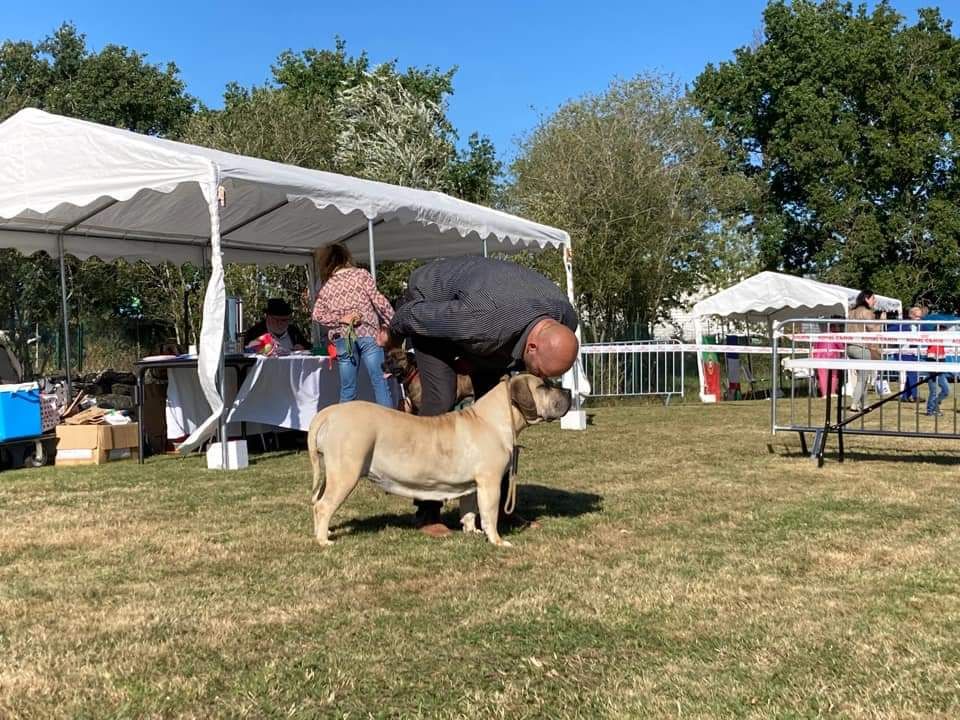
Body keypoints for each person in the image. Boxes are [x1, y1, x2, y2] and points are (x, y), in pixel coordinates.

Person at [378, 256, 579, 538]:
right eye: (541, 373)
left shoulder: (565, 315)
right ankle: (427, 511)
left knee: (503, 418)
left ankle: (498, 510)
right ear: (531, 347)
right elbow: (418, 315)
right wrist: (393, 335)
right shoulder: (481, 321)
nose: (543, 381)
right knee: (439, 400)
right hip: (432, 302)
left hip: (490, 322)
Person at [311, 243, 394, 408]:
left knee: (348, 389)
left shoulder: (326, 286)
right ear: (346, 257)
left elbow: (317, 315)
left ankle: (343, 429)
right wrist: (393, 321)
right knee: (380, 383)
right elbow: (379, 301)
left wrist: (341, 319)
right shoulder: (361, 275)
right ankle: (389, 429)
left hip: (344, 339)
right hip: (369, 333)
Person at [846, 290, 881, 412]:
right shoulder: (867, 312)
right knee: (862, 378)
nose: (874, 301)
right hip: (862, 348)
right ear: (866, 299)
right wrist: (881, 320)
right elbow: (874, 330)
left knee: (863, 378)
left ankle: (865, 404)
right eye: (873, 298)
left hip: (850, 347)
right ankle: (854, 404)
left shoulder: (851, 312)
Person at [243, 298, 308, 355]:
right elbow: (246, 350)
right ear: (268, 318)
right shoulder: (255, 332)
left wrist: (302, 348)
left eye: (285, 320)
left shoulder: (294, 332)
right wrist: (263, 349)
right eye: (277, 320)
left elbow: (308, 348)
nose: (281, 323)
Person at [813, 317, 844, 398]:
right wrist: (843, 353)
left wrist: (814, 357)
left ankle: (824, 393)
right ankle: (833, 392)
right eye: (836, 326)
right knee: (833, 375)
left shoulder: (820, 335)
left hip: (820, 357)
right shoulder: (835, 335)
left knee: (823, 375)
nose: (837, 328)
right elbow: (841, 346)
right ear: (832, 327)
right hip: (834, 356)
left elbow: (815, 347)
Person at [900, 306, 926, 402]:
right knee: (913, 374)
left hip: (915, 353)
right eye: (917, 316)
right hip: (905, 352)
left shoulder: (921, 326)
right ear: (911, 315)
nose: (919, 319)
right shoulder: (903, 325)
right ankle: (915, 395)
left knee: (911, 374)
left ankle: (904, 396)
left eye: (920, 317)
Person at [925, 329, 949, 417]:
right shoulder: (933, 344)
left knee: (946, 390)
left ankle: (934, 405)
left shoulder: (942, 345)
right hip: (933, 371)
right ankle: (930, 410)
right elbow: (930, 358)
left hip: (940, 371)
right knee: (933, 391)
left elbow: (943, 359)